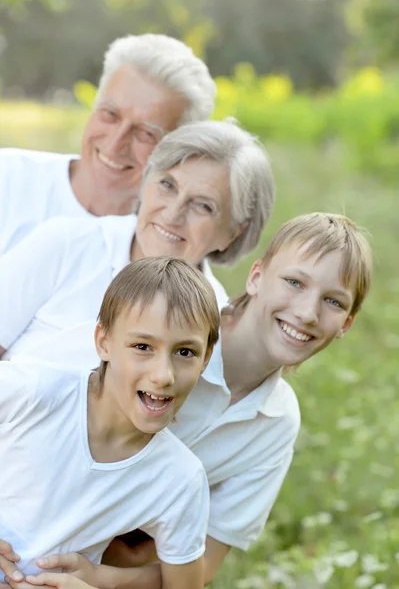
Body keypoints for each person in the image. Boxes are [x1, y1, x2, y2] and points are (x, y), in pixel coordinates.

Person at [1, 212, 371, 589]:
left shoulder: (270, 424)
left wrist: (99, 580)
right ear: (256, 276)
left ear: (347, 323)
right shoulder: (155, 325)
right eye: (294, 282)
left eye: (334, 302)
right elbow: (27, 413)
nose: (308, 313)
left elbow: (196, 568)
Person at [0, 256, 221, 589]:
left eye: (185, 352)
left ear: (206, 357)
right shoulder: (34, 393)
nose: (163, 375)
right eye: (142, 346)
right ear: (103, 341)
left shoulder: (179, 479)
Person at [0, 119, 275, 361]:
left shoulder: (213, 322)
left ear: (233, 233)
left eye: (203, 206)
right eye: (167, 185)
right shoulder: (66, 243)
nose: (172, 214)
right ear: (146, 182)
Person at [0, 34, 216, 256]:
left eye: (145, 133)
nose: (115, 143)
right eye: (110, 114)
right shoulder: (8, 176)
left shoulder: (159, 250)